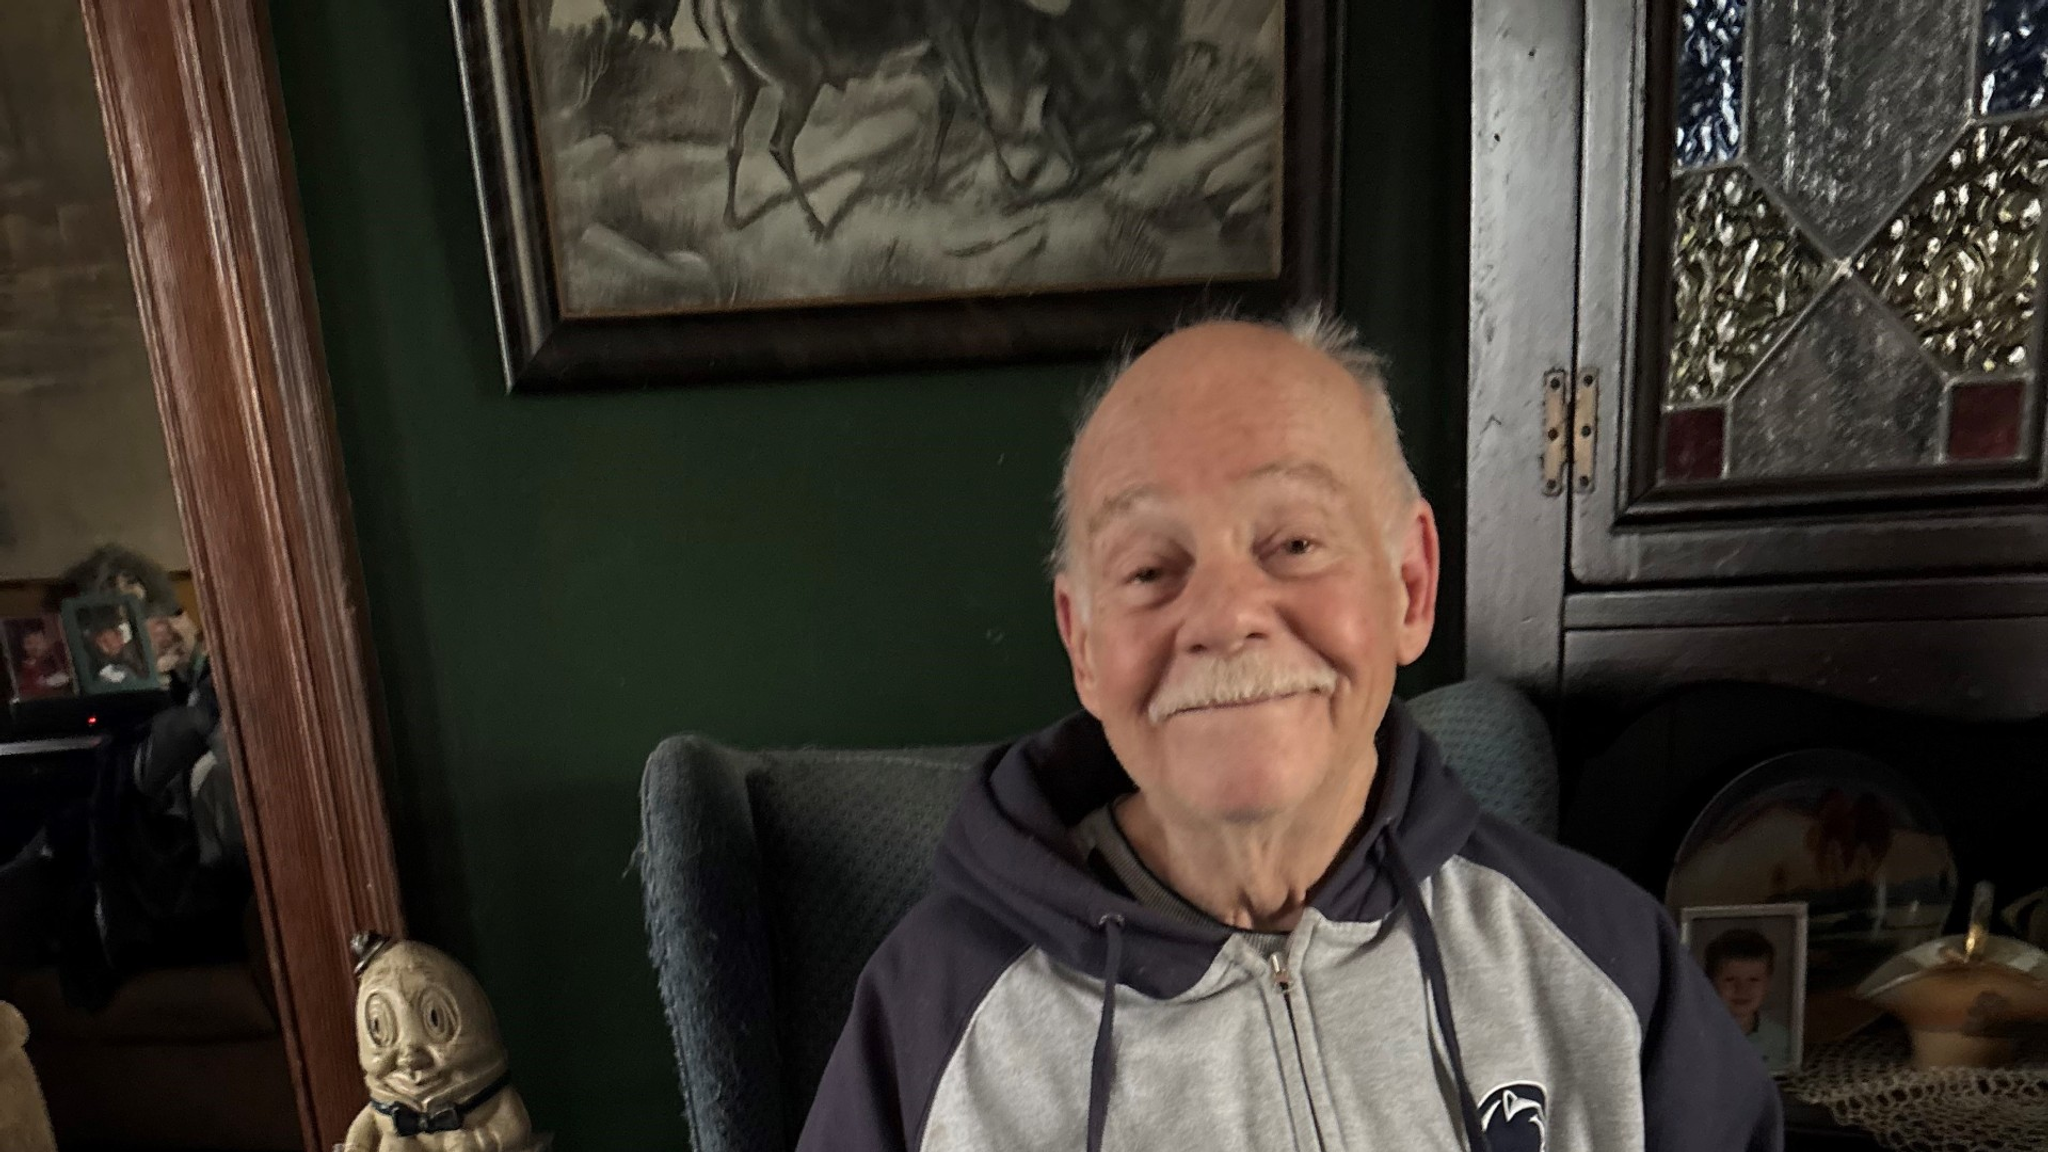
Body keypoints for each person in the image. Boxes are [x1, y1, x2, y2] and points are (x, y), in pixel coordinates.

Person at [797, 309, 1783, 1152]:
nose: (1225, 616)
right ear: (1082, 642)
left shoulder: (1605, 961)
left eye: (1294, 543)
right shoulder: (928, 1021)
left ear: (1408, 585)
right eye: (1148, 569)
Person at [1706, 928, 1794, 1072]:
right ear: (1709, 981)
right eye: (1730, 979)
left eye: (1753, 980)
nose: (1742, 990)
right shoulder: (1696, 1035)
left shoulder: (1781, 1039)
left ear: (1768, 984)